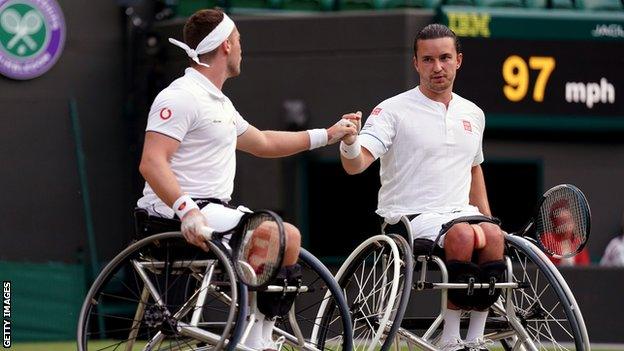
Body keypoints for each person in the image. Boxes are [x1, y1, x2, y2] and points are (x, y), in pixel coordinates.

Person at [136, 9, 358, 351]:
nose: (242, 48)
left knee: (285, 236)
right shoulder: (180, 95)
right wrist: (187, 210)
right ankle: (256, 340)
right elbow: (152, 162)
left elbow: (264, 142)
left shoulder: (219, 102)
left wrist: (326, 135)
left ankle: (259, 336)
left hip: (212, 212)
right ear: (226, 46)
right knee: (281, 233)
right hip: (171, 215)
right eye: (239, 40)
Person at [339, 24, 504, 351]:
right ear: (416, 63)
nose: (437, 67)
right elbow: (356, 164)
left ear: (458, 60)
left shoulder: (474, 113)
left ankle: (475, 339)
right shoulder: (391, 111)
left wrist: (488, 218)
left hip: (462, 213)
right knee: (463, 235)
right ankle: (450, 338)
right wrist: (349, 143)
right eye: (428, 60)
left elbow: (474, 168)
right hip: (408, 218)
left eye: (444, 58)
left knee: (494, 236)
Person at [539, 200, 590, 266]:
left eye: (569, 220)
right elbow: (545, 265)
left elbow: (585, 267)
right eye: (563, 221)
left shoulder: (579, 243)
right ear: (555, 224)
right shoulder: (547, 239)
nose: (567, 224)